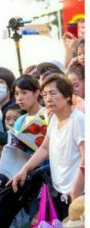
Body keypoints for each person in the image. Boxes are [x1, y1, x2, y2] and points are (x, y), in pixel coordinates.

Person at [10, 74, 85, 218]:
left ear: (68, 96)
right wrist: (25, 169)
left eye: (52, 93)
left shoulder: (78, 120)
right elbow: (45, 148)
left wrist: (76, 188)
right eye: (44, 94)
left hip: (79, 193)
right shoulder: (54, 119)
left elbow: (85, 158)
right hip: (60, 190)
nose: (48, 99)